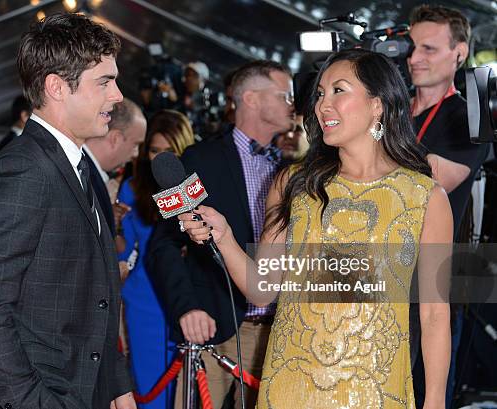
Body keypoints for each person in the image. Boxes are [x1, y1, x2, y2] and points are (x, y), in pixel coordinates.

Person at [179, 49, 452, 408]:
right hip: (291, 385)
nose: (324, 105)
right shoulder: (293, 183)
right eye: (320, 93)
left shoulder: (425, 197)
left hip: (376, 390)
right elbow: (263, 290)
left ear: (378, 104)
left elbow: (434, 314)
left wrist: (434, 400)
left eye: (340, 90)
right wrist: (226, 237)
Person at [0, 13, 135, 409]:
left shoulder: (78, 164)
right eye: (105, 81)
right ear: (57, 87)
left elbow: (99, 295)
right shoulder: (23, 169)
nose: (118, 95)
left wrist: (116, 385)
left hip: (81, 387)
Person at [148, 60, 294, 409]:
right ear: (252, 99)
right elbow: (164, 243)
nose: (295, 103)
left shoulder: (296, 168)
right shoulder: (203, 158)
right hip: (218, 327)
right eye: (285, 95)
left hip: (284, 332)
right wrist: (187, 308)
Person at [407, 6, 489, 407]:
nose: (413, 58)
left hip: (432, 280)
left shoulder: (469, 115)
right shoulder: (390, 108)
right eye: (411, 47)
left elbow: (435, 179)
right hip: (378, 266)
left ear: (459, 53)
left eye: (428, 48)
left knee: (426, 391)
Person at [117, 110, 195, 409]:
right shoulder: (133, 187)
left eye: (169, 151)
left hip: (186, 297)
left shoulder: (194, 187)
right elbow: (124, 251)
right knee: (150, 388)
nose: (160, 158)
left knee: (185, 390)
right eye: (154, 150)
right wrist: (114, 226)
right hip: (144, 301)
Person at [84, 98, 147, 237]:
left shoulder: (84, 172)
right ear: (116, 138)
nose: (136, 154)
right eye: (135, 144)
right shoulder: (83, 178)